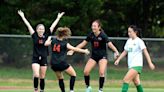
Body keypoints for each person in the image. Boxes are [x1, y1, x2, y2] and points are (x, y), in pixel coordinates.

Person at [18, 10, 64, 92]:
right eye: (39, 29)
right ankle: (36, 89)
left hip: (44, 58)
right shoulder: (34, 35)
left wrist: (58, 18)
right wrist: (23, 16)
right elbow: (28, 25)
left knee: (42, 77)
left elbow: (52, 26)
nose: (41, 30)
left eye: (42, 29)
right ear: (36, 30)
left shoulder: (46, 36)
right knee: (36, 74)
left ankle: (42, 90)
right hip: (35, 58)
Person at [67, 20, 119, 92]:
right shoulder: (91, 35)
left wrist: (116, 51)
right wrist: (73, 50)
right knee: (86, 72)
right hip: (94, 56)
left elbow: (110, 44)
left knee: (101, 72)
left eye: (95, 26)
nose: (93, 27)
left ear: (99, 27)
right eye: (92, 26)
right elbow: (83, 44)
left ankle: (100, 89)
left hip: (102, 57)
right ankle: (88, 87)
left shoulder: (103, 35)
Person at [44, 27, 90, 92]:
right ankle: (71, 90)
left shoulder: (53, 41)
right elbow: (74, 49)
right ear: (64, 35)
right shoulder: (64, 43)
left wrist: (49, 38)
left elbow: (45, 44)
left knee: (60, 78)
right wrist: (84, 51)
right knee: (73, 75)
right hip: (61, 63)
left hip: (53, 63)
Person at [114, 25, 155, 92]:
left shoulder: (139, 41)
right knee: (136, 82)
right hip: (131, 65)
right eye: (128, 32)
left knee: (126, 80)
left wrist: (150, 63)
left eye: (130, 32)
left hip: (137, 65)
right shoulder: (129, 41)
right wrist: (118, 59)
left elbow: (145, 52)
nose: (129, 33)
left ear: (135, 32)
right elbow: (125, 51)